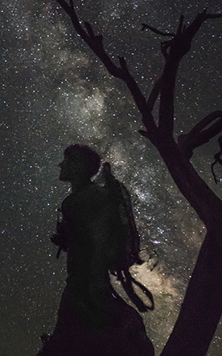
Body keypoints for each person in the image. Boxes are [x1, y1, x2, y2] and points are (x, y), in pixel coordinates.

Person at [37, 144, 154, 356]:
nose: (60, 164)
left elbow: (96, 243)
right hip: (90, 283)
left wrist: (92, 289)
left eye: (68, 159)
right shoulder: (96, 197)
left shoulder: (76, 201)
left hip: (85, 285)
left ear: (80, 166)